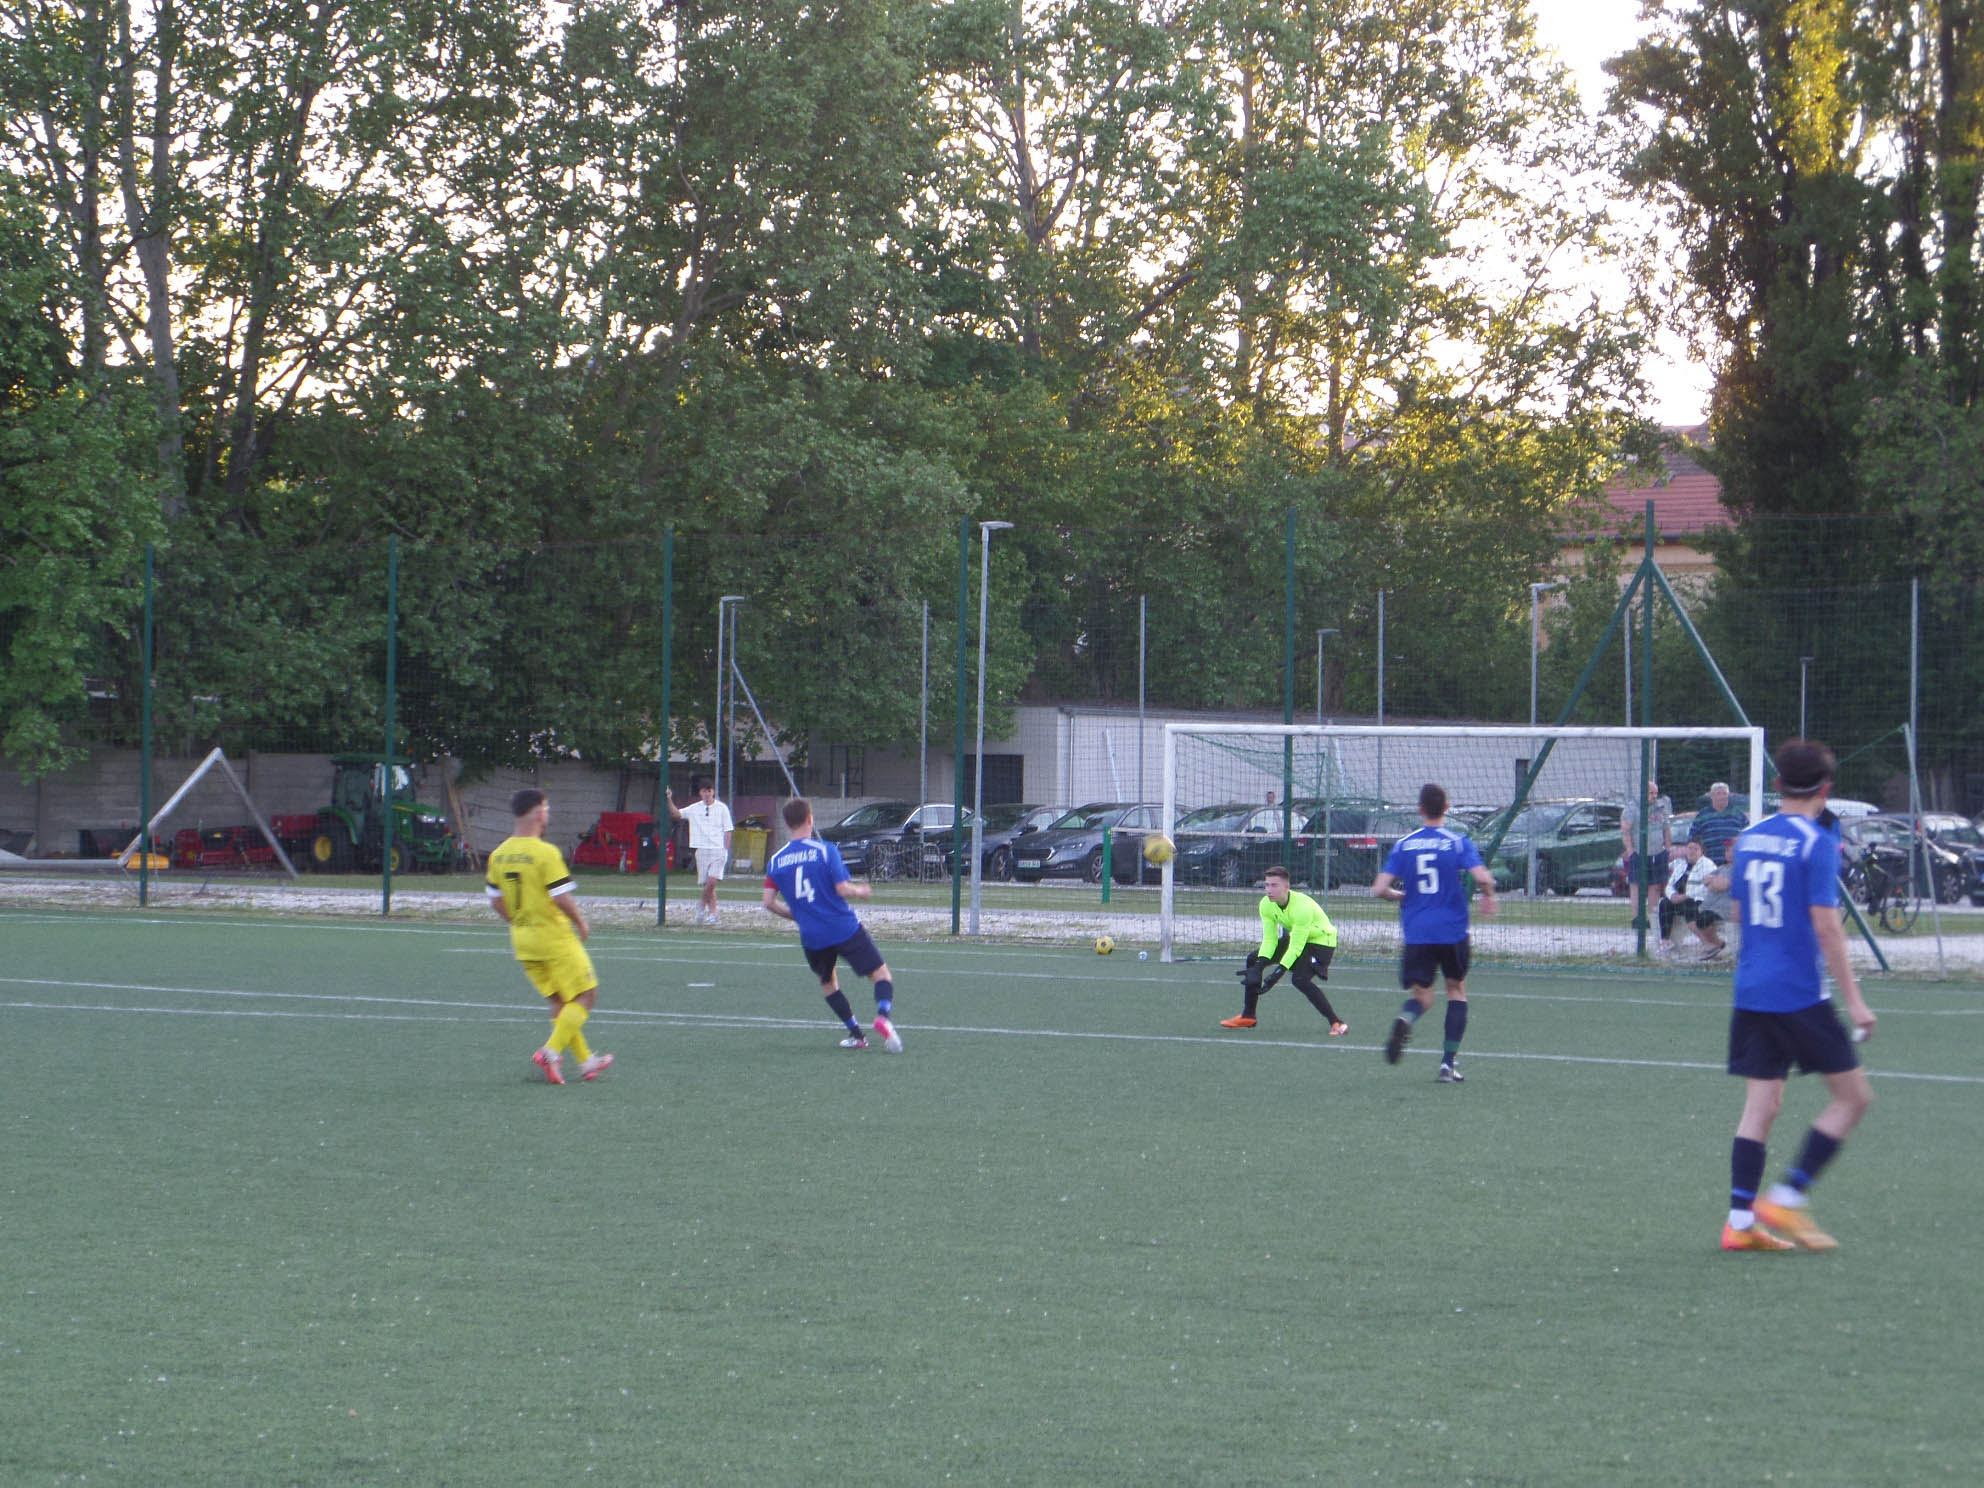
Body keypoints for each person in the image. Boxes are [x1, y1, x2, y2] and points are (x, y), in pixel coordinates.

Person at [1716, 738, 1875, 1252]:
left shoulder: (1749, 837)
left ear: (1778, 784)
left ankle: (1740, 1224)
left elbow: (1738, 912)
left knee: (1761, 1106)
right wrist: (1855, 1001)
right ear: (1826, 789)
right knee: (1853, 1099)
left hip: (1751, 989)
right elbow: (1827, 927)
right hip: (1799, 995)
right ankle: (1786, 1198)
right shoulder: (1817, 843)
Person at [485, 788, 613, 1085]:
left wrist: (518, 921)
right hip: (553, 938)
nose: (548, 813)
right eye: (547, 808)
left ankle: (586, 1061)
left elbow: (495, 900)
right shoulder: (546, 853)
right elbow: (561, 897)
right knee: (586, 995)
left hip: (523, 941)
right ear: (539, 813)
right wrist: (581, 922)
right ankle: (550, 1052)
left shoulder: (498, 854)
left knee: (559, 1000)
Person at [1372, 782, 1498, 1083]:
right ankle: (1447, 1064)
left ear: (1420, 810)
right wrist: (1488, 895)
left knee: (1423, 997)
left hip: (1417, 932)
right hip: (1451, 930)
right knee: (1456, 990)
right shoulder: (1458, 842)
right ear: (1447, 808)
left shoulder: (1404, 845)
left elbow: (1378, 889)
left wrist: (1400, 896)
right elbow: (1483, 878)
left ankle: (1406, 1018)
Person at [762, 796, 903, 1053]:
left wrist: (798, 916)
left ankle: (856, 1035)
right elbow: (842, 888)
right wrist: (860, 890)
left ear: (787, 823)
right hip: (843, 928)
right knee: (881, 974)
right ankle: (883, 1017)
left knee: (828, 984)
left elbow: (768, 902)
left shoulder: (776, 860)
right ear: (810, 819)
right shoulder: (825, 850)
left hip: (812, 936)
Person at [1218, 866, 1347, 1034]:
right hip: (1298, 938)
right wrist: (1259, 967)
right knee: (1253, 959)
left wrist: (1277, 974)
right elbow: (1270, 940)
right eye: (1267, 885)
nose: (1269, 890)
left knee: (1300, 980)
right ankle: (1248, 1016)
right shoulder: (1266, 904)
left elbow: (1296, 947)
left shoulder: (1302, 907)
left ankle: (1337, 1023)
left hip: (1321, 943)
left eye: (1274, 885)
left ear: (1287, 887)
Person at [666, 775, 734, 925]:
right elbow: (677, 814)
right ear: (700, 793)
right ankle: (714, 914)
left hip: (718, 850)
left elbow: (728, 830)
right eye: (704, 791)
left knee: (712, 881)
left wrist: (725, 850)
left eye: (709, 791)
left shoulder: (722, 808)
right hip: (701, 850)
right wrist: (669, 799)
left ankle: (701, 906)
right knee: (707, 885)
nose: (707, 794)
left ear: (713, 792)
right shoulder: (694, 808)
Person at [1661, 837, 1728, 959]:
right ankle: (1665, 941)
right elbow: (1670, 885)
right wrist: (1672, 895)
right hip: (1680, 899)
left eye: (1695, 849)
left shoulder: (1707, 865)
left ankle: (1707, 945)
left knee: (1689, 906)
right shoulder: (1681, 864)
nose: (1691, 851)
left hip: (1700, 901)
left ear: (1702, 851)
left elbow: (1707, 888)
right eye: (1689, 848)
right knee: (1664, 903)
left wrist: (1686, 896)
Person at [1621, 776, 1673, 906]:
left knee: (1656, 886)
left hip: (1658, 853)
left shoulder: (1660, 807)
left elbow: (1666, 828)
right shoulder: (1632, 808)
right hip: (1639, 853)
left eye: (1656, 793)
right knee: (1636, 885)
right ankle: (1637, 915)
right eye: (1651, 793)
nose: (1654, 796)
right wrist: (1631, 851)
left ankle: (1652, 914)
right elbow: (1625, 831)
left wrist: (1667, 848)